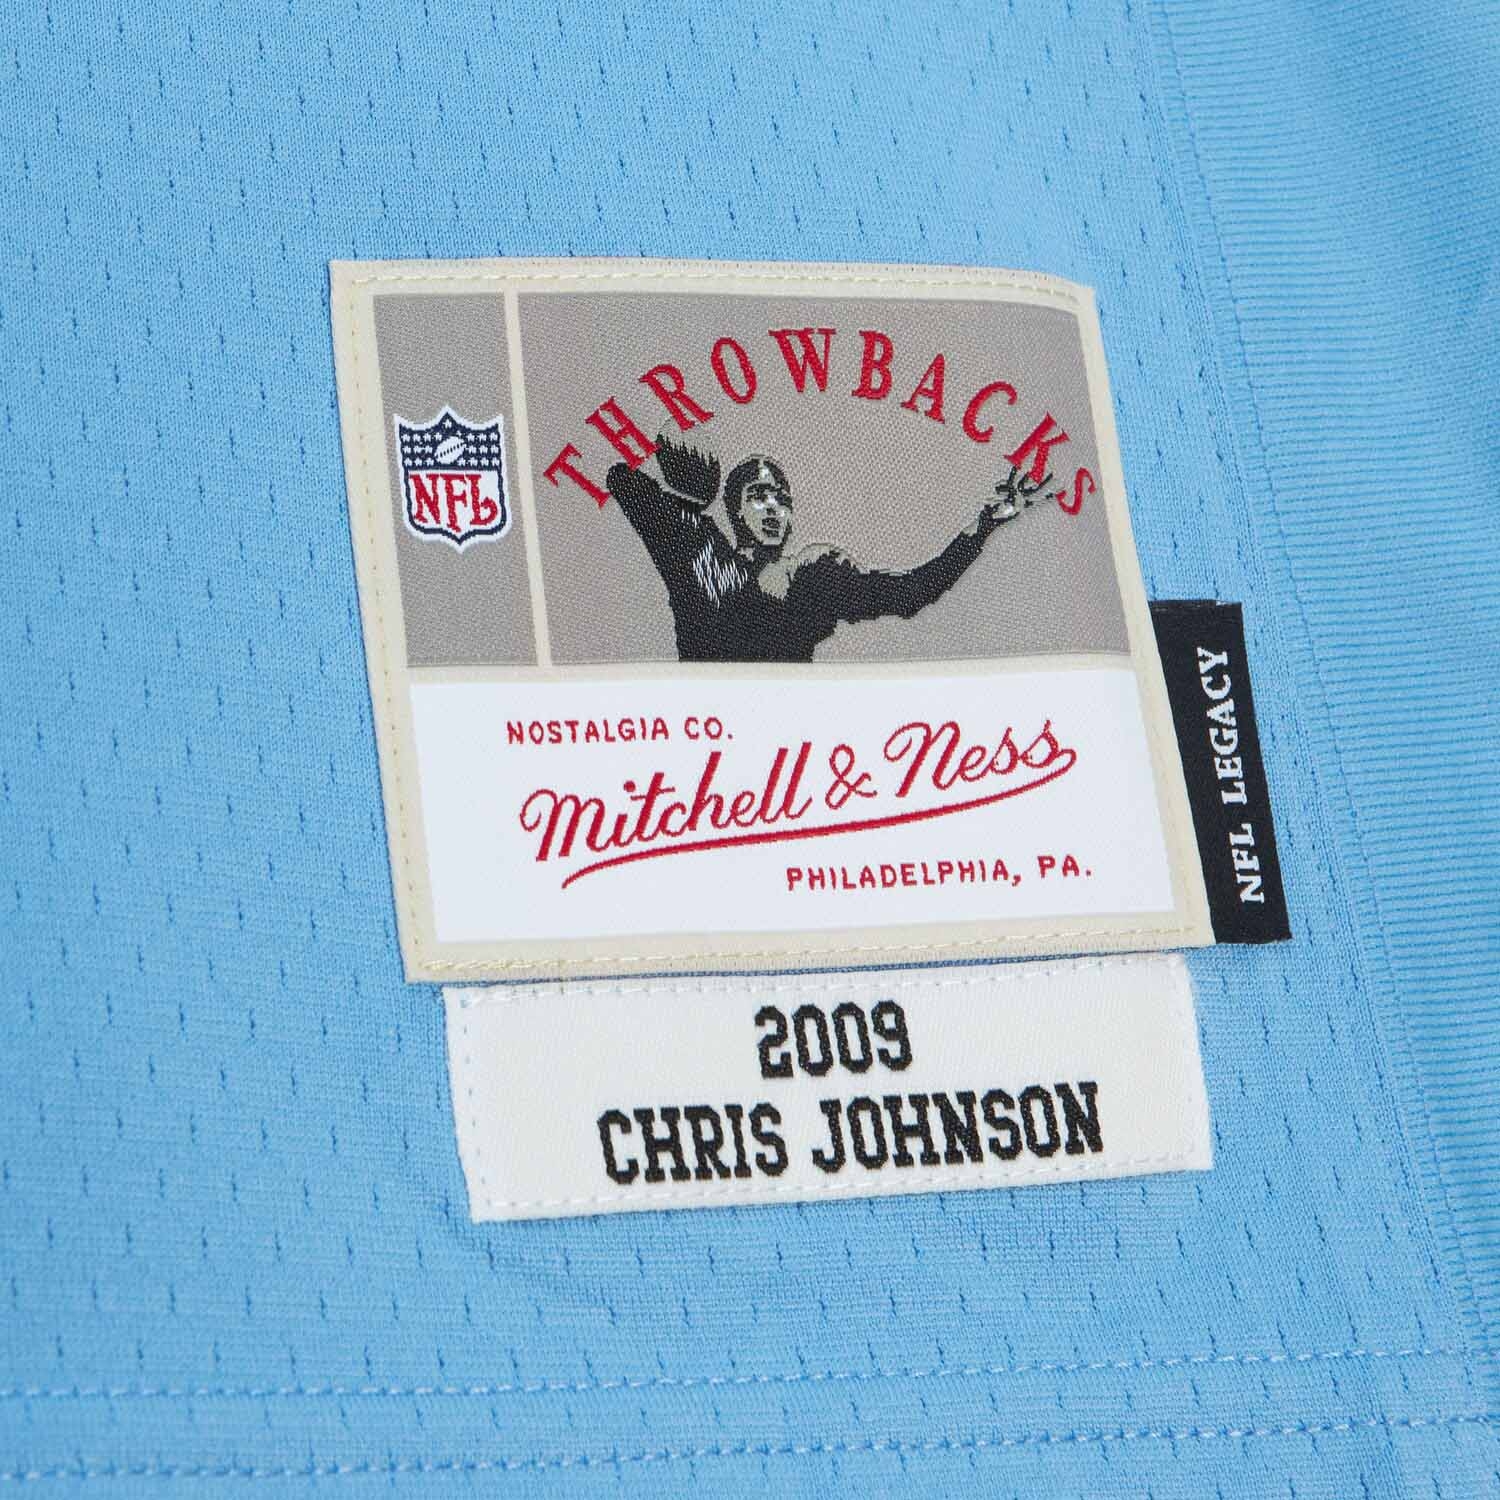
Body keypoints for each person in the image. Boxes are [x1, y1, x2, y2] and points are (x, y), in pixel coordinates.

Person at [606, 438, 1048, 662]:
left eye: (782, 499)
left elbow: (913, 592)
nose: (774, 507)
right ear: (734, 509)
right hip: (703, 731)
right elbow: (621, 481)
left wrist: (983, 526)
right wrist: (688, 495)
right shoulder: (701, 553)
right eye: (759, 495)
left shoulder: (813, 576)